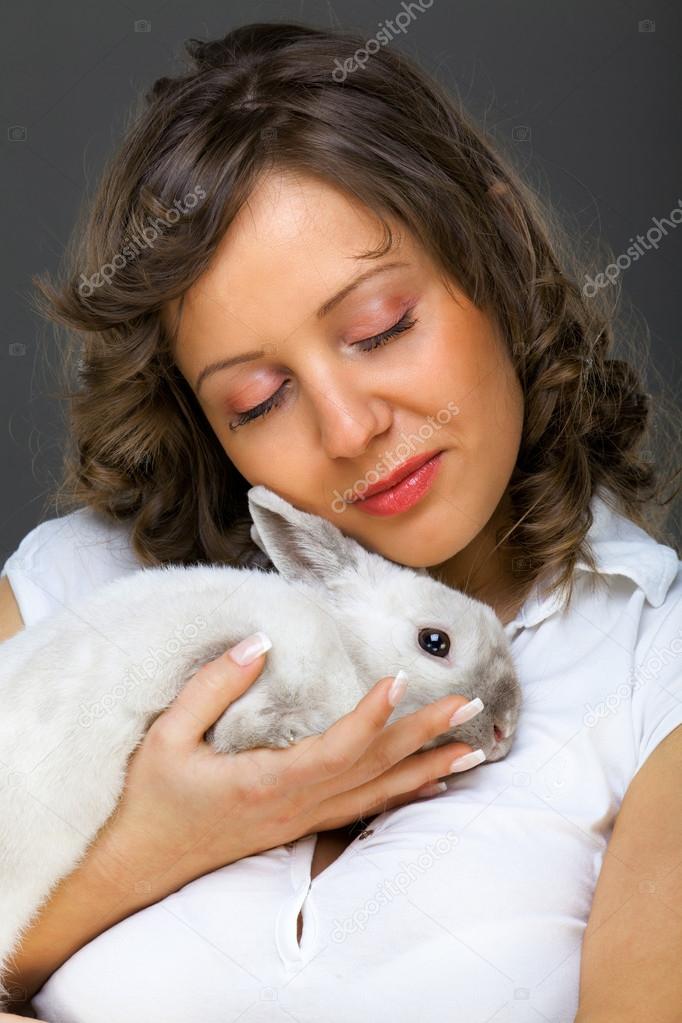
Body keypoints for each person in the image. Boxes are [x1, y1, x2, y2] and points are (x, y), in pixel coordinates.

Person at [1, 20, 680, 1023]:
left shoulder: (651, 662)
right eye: (258, 397)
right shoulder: (65, 597)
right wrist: (155, 844)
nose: (351, 428)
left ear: (490, 254)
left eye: (380, 328)